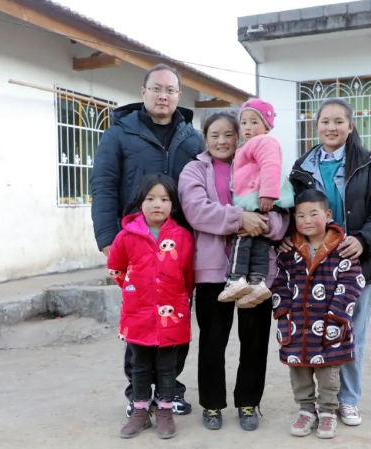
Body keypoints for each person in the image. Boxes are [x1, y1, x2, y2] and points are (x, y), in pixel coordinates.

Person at [91, 63, 204, 418]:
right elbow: (104, 186)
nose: (163, 96)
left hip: (179, 246)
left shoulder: (192, 139)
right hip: (136, 243)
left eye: (170, 90)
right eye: (156, 88)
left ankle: (171, 391)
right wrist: (107, 237)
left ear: (179, 96)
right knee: (139, 318)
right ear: (143, 92)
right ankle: (138, 393)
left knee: (177, 318)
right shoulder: (118, 134)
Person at [281, 97, 371, 427]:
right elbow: (286, 211)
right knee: (311, 332)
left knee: (350, 334)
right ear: (316, 126)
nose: (331, 127)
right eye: (325, 121)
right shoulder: (300, 171)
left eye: (338, 121)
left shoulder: (370, 171)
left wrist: (363, 240)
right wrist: (284, 236)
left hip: (354, 266)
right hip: (310, 268)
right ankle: (317, 404)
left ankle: (347, 400)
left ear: (350, 126)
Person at [178, 112, 289, 431]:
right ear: (205, 138)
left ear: (239, 136)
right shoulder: (194, 170)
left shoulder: (259, 163)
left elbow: (282, 211)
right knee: (213, 341)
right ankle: (212, 405)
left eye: (229, 134)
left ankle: (248, 403)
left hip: (257, 273)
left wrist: (265, 224)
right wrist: (241, 218)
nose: (222, 141)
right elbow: (196, 210)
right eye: (215, 135)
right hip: (212, 271)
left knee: (255, 341)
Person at [107, 173, 195, 440]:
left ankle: (165, 411)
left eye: (164, 199)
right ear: (140, 202)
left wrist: (180, 298)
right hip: (138, 313)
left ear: (173, 204)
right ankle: (140, 411)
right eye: (150, 198)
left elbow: (188, 275)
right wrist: (132, 289)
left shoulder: (182, 237)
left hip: (172, 313)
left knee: (168, 366)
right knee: (140, 365)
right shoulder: (126, 236)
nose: (157, 204)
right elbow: (116, 268)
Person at [272, 189, 364, 439]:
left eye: (314, 214)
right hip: (296, 325)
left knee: (328, 374)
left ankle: (327, 412)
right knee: (299, 371)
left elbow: (352, 282)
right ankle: (306, 410)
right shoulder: (288, 250)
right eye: (300, 216)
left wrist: (336, 316)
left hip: (329, 325)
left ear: (328, 214)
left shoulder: (342, 248)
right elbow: (279, 283)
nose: (307, 221)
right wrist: (283, 312)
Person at [217, 99, 294, 308]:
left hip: (258, 198)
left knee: (241, 237)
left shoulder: (263, 142)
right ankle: (258, 281)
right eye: (243, 123)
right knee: (259, 240)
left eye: (254, 122)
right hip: (261, 198)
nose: (247, 127)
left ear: (266, 127)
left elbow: (271, 165)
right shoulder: (252, 144)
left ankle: (236, 278)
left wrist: (268, 193)